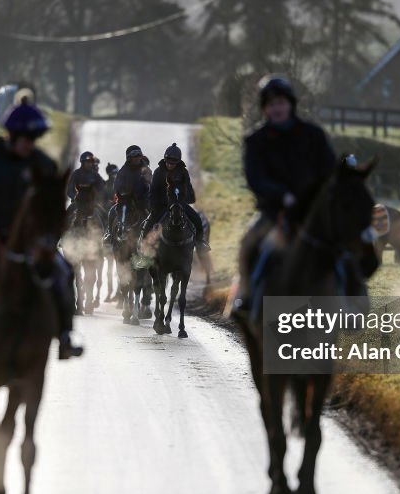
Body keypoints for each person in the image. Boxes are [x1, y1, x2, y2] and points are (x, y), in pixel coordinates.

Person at [0, 94, 83, 359]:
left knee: (64, 272)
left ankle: (65, 334)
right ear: (11, 135)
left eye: (32, 139)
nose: (29, 144)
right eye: (24, 138)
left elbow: (52, 205)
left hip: (34, 242)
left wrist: (51, 231)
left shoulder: (45, 164)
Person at [231, 76, 337, 318]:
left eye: (280, 102)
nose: (275, 108)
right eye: (270, 104)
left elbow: (329, 171)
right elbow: (255, 178)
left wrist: (314, 196)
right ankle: (245, 297)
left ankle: (353, 303)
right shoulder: (256, 140)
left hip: (312, 212)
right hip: (274, 212)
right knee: (248, 244)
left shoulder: (314, 135)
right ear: (264, 109)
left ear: (290, 104)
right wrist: (282, 196)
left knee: (344, 248)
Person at [141, 143, 208, 249]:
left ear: (177, 162)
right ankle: (143, 250)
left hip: (179, 204)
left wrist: (181, 200)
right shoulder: (158, 172)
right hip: (161, 206)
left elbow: (190, 192)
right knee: (147, 225)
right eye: (168, 162)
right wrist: (154, 207)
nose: (170, 165)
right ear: (165, 160)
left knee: (197, 219)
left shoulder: (184, 172)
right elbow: (153, 193)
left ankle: (200, 243)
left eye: (173, 163)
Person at [105, 145, 152, 240]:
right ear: (129, 158)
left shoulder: (146, 170)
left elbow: (151, 185)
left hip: (142, 202)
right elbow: (117, 186)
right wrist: (124, 193)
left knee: (153, 216)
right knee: (112, 212)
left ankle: (152, 238)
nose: (138, 158)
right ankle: (110, 235)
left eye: (139, 155)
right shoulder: (123, 170)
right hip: (126, 201)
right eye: (135, 156)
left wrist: (143, 195)